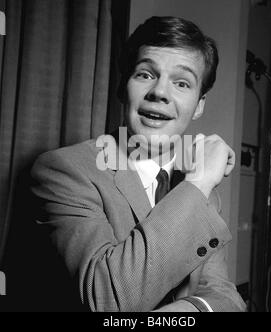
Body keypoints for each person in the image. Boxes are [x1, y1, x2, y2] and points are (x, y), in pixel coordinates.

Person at [31, 16, 246, 312]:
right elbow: (106, 298)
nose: (159, 93)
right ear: (122, 87)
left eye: (182, 83)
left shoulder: (201, 193)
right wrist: (199, 182)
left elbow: (226, 298)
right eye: (145, 75)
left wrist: (188, 310)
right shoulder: (64, 170)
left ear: (199, 106)